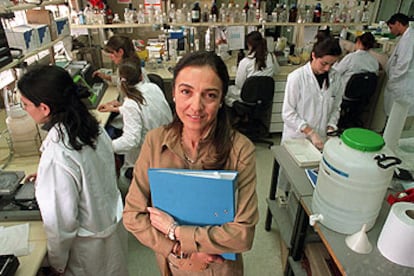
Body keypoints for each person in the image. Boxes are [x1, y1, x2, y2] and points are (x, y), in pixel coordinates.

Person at [123, 51, 259, 275]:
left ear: (221, 99)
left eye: (210, 95)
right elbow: (132, 215)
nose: (196, 106)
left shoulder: (240, 149)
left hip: (219, 267)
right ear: (174, 93)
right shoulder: (155, 141)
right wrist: (179, 248)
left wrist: (176, 231)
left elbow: (243, 235)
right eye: (186, 91)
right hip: (172, 264)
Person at [17, 65, 128, 276]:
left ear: (45, 109)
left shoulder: (58, 152)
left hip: (86, 252)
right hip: (109, 231)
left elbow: (60, 224)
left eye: (25, 105)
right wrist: (51, 178)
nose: (25, 110)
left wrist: (57, 264)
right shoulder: (91, 126)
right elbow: (92, 169)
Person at [278, 36, 343, 195]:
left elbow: (336, 108)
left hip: (321, 139)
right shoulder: (297, 77)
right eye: (324, 63)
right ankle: (286, 200)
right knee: (291, 177)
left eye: (332, 64)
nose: (328, 68)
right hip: (297, 138)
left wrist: (331, 127)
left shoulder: (336, 78)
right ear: (313, 55)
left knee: (310, 183)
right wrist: (310, 132)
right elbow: (288, 113)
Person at [99, 58, 172, 184]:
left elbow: (131, 141)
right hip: (167, 147)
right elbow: (145, 110)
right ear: (141, 77)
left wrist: (106, 147)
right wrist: (119, 109)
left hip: (148, 158)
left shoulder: (130, 103)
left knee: (121, 181)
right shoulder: (152, 87)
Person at [224, 31, 279, 107]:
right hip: (263, 99)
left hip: (247, 98)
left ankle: (236, 115)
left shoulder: (245, 62)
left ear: (250, 45)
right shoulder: (272, 57)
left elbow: (239, 85)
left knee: (226, 91)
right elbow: (276, 71)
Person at [384, 13, 414, 127]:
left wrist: (392, 79)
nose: (391, 31)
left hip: (402, 85)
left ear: (398, 23)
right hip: (399, 83)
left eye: (391, 27)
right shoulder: (406, 37)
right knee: (394, 118)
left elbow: (403, 64)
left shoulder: (409, 39)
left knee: (398, 121)